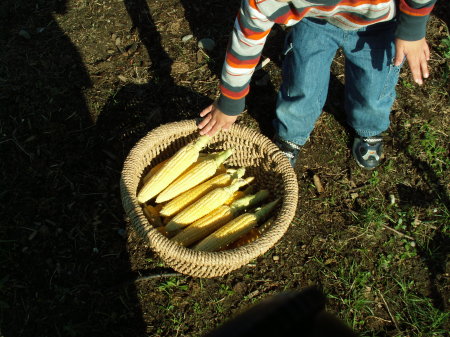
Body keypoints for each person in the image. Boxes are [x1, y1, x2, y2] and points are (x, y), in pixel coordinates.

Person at [197, 0, 436, 169]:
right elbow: (246, 42)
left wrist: (413, 27)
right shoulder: (265, 1)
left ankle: (369, 128)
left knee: (373, 88)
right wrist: (230, 100)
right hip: (314, 21)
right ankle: (291, 134)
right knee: (302, 82)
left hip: (378, 25)